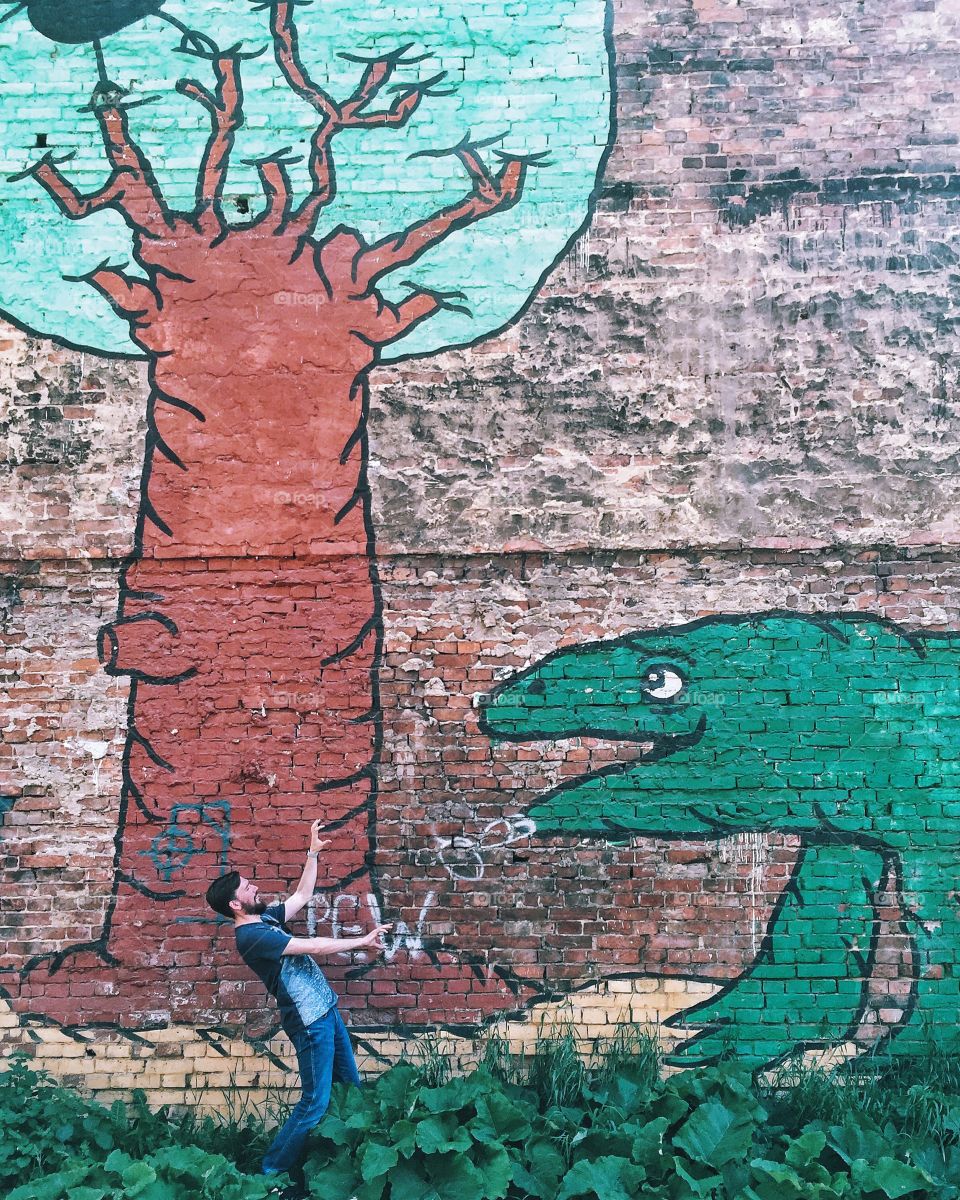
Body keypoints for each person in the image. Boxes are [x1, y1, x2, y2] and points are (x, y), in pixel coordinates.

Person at [205, 819, 390, 1199]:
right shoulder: (251, 937)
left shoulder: (265, 919)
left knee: (349, 1090)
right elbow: (314, 947)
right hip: (309, 1024)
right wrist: (363, 940)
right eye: (247, 887)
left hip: (326, 1012)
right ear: (236, 904)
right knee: (314, 1101)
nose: (254, 886)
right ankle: (270, 1176)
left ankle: (342, 1165)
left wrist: (312, 852)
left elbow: (302, 895)